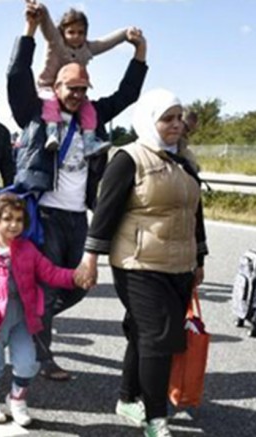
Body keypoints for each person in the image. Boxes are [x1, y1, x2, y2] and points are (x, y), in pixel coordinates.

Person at [10, 0, 148, 381]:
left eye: (83, 88)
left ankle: (32, 315)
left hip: (78, 217)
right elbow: (17, 75)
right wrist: (29, 31)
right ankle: (42, 358)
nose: (78, 94)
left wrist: (139, 53)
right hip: (46, 215)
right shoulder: (36, 117)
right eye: (71, 88)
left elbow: (126, 96)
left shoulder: (93, 118)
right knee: (48, 286)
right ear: (56, 86)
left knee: (78, 286)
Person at [80, 89, 207, 437]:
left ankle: (126, 398)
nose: (176, 125)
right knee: (159, 337)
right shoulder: (129, 158)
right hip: (138, 264)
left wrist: (200, 257)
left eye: (179, 118)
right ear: (150, 121)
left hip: (179, 265)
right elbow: (104, 211)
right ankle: (156, 418)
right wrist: (90, 257)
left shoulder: (184, 161)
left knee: (142, 334)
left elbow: (195, 212)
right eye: (168, 118)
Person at [0, 193, 82, 426]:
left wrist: (75, 277)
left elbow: (50, 272)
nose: (14, 225)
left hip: (23, 316)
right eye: (8, 219)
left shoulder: (27, 249)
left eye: (19, 220)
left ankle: (17, 399)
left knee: (28, 362)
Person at [34, 2, 135, 154]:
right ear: (62, 32)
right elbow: (48, 28)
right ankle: (52, 133)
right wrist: (42, 12)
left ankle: (89, 142)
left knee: (88, 110)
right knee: (50, 102)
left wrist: (126, 33)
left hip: (72, 91)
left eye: (81, 32)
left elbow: (106, 42)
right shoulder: (56, 42)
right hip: (48, 86)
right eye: (71, 32)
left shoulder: (86, 48)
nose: (76, 37)